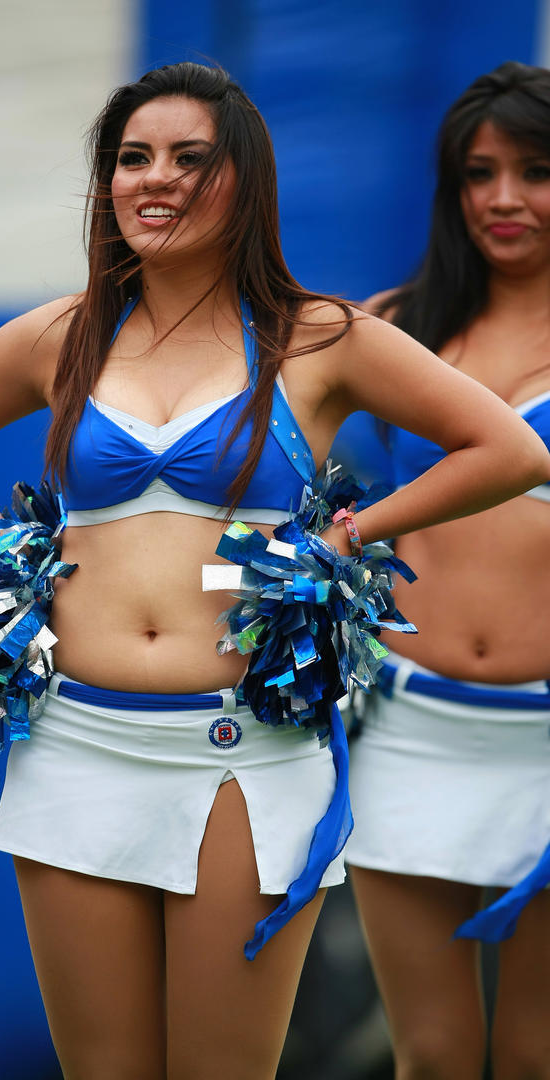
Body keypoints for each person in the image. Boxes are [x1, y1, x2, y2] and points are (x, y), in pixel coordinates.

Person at [0, 62, 550, 1080]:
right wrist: (7, 558)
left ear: (244, 181)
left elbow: (508, 451)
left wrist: (349, 533)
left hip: (244, 755)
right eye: (132, 159)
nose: (156, 180)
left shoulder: (318, 337)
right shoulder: (63, 334)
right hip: (75, 745)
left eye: (191, 159)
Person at [346, 61, 550, 1080]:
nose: (503, 198)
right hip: (409, 727)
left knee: (533, 1054)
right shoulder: (392, 325)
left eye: (536, 170)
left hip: (548, 746)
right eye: (479, 173)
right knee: (430, 1057)